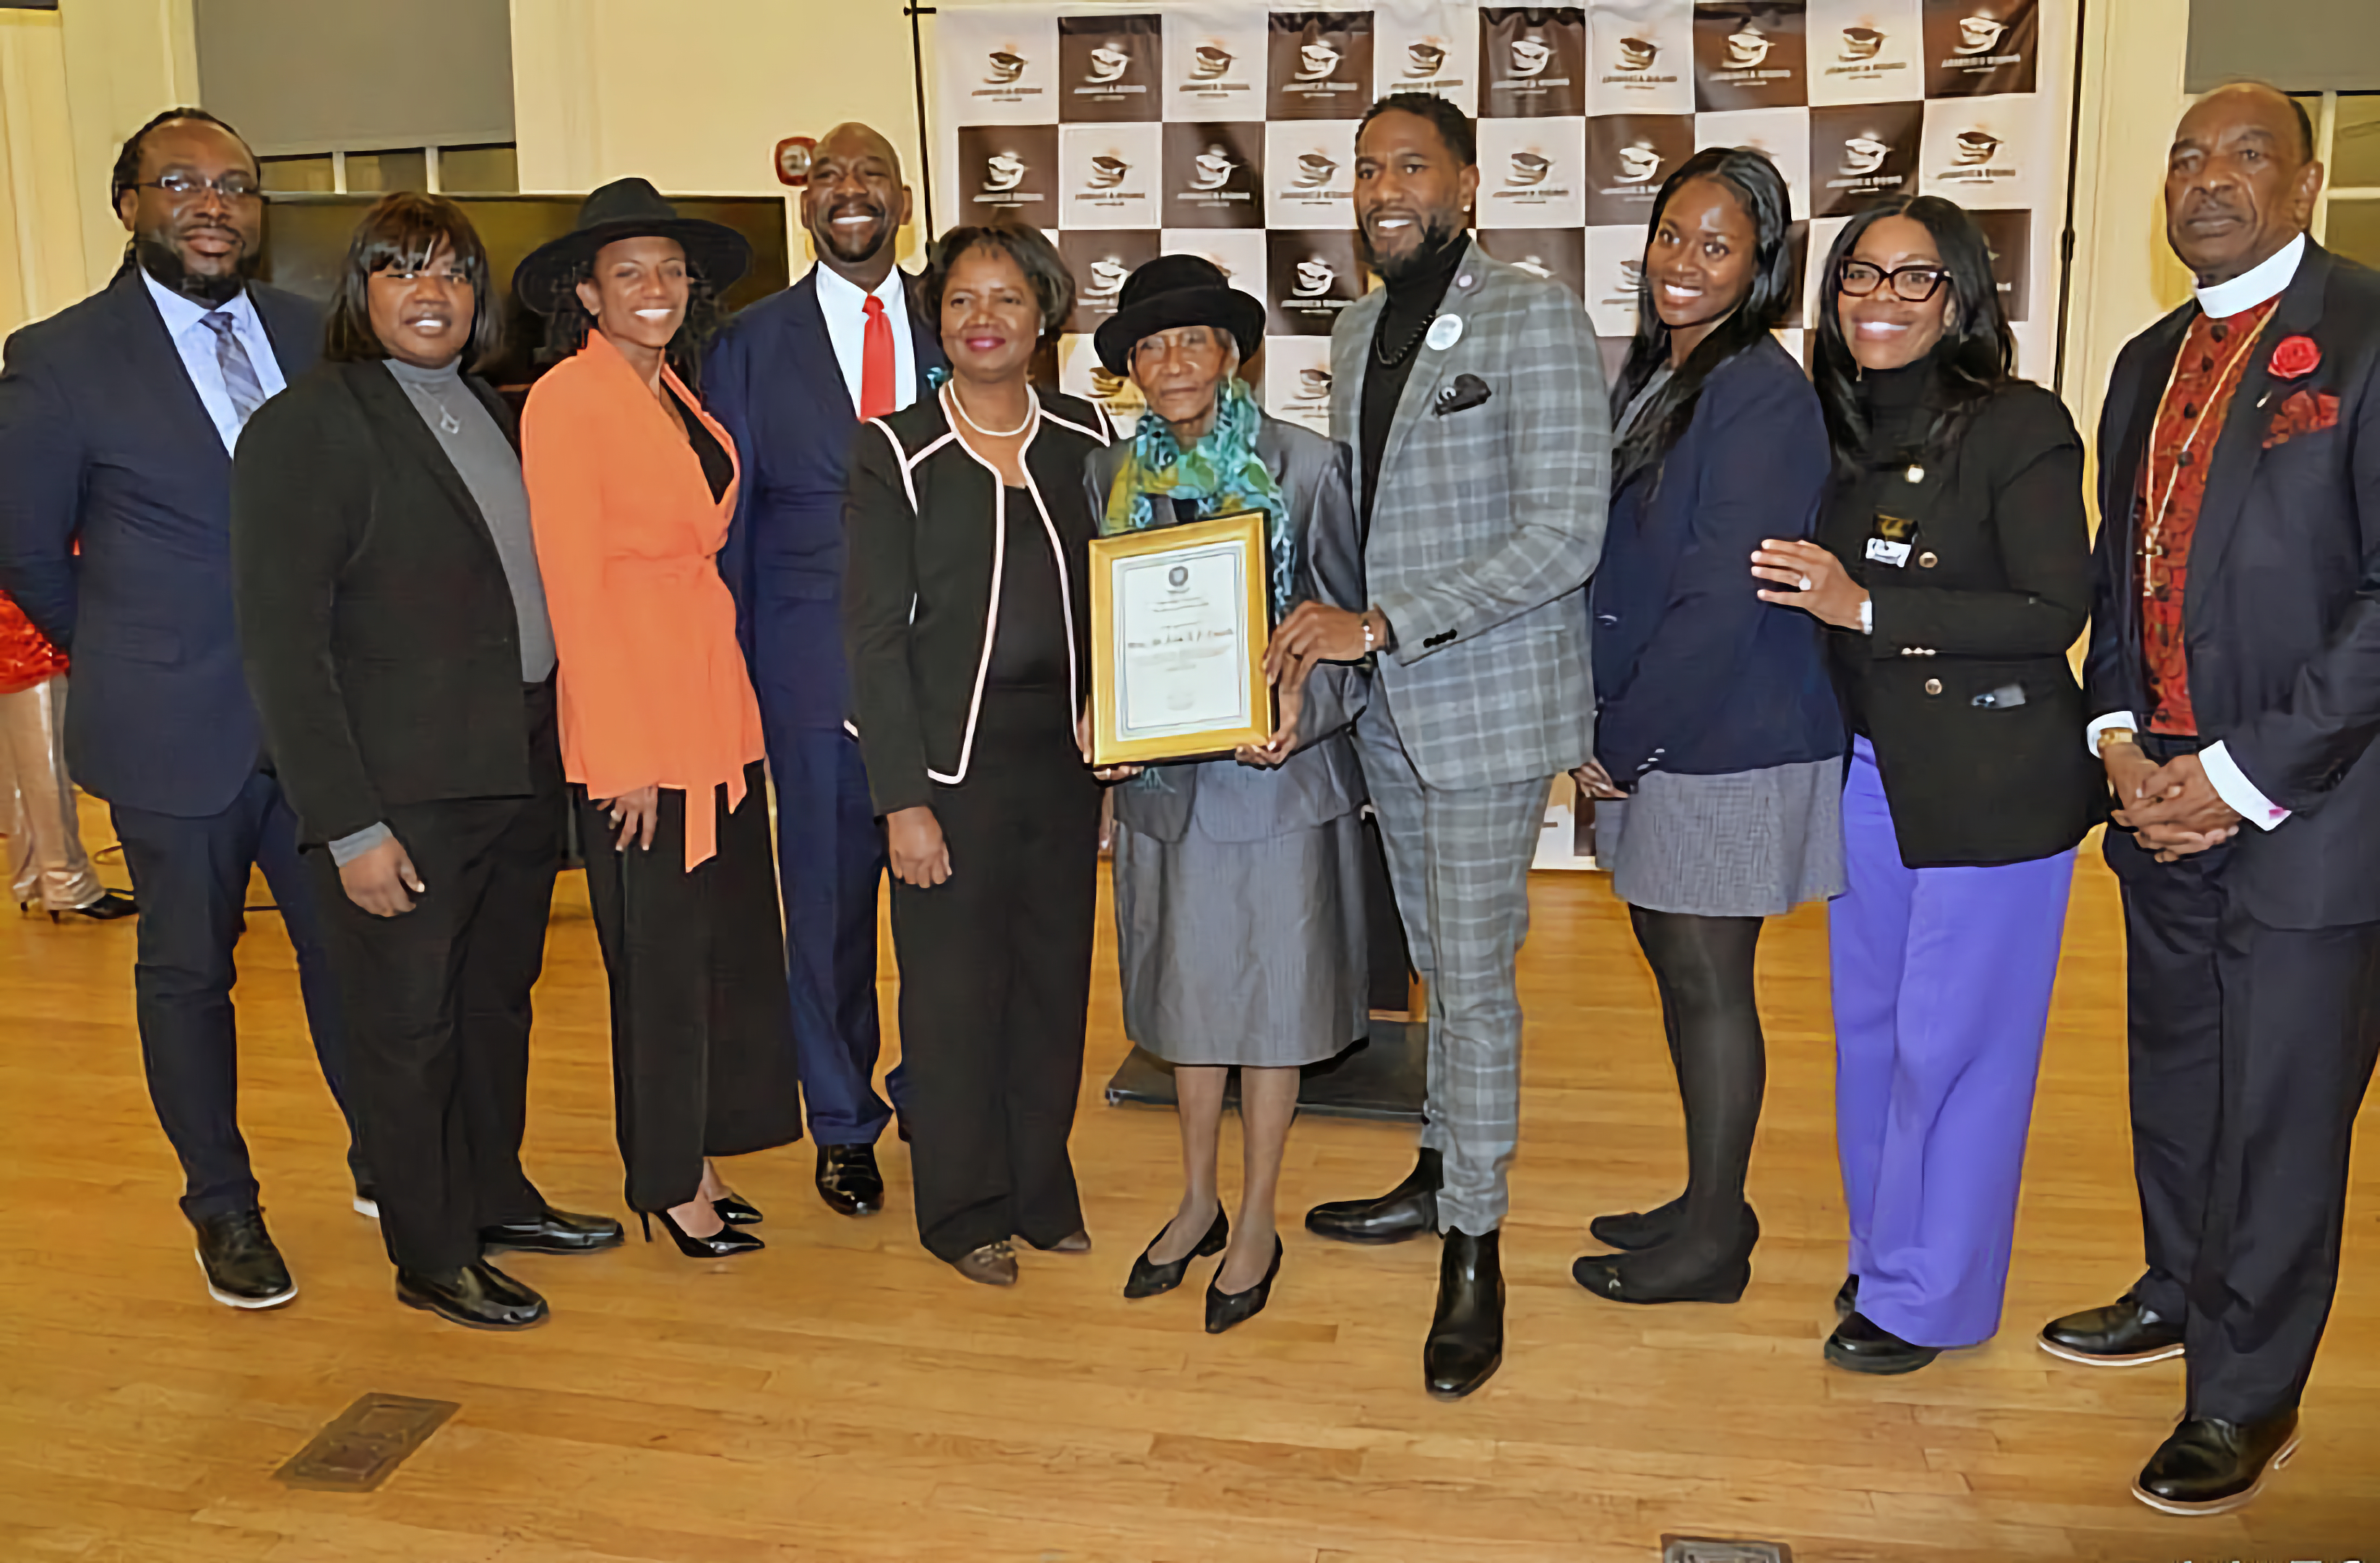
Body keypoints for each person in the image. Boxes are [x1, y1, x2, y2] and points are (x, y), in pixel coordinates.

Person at [2040, 82, 2380, 1518]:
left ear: (2305, 184)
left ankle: (2248, 1393)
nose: (2210, 178)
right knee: (2177, 1083)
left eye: (2249, 154)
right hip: (2157, 794)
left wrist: (2238, 778)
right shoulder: (2143, 357)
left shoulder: (2367, 334)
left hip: (2316, 808)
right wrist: (2117, 735)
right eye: (2187, 156)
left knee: (2282, 1115)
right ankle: (2182, 1291)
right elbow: (2124, 571)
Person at [231, 193, 625, 1331]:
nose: (431, 292)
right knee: (407, 1026)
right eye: (402, 270)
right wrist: (348, 824)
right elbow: (284, 648)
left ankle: (494, 1197)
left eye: (451, 272)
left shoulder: (492, 412)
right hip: (398, 794)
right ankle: (431, 1246)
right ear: (362, 293)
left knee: (496, 1004)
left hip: (509, 772)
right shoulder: (307, 426)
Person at [1272, 93, 1607, 1398]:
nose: (1381, 186)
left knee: (1471, 982)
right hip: (1386, 715)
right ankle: (1433, 1169)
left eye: (1408, 164)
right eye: (1363, 168)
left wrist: (1383, 622)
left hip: (1476, 707)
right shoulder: (1356, 328)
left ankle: (1474, 1243)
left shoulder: (1532, 316)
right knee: (1429, 968)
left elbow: (1562, 533)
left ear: (1466, 186)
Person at [0, 108, 361, 1310]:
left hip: (321, 724)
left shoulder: (316, 335)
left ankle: (392, 1159)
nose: (213, 203)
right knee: (189, 974)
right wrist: (131, 644)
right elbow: (31, 554)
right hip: (173, 727)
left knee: (355, 956)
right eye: (181, 183)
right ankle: (224, 1205)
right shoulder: (59, 356)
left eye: (236, 186)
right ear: (130, 205)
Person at [1747, 196, 2100, 1372]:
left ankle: (1928, 1298)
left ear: (1957, 296)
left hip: (1990, 786)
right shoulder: (1830, 425)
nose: (1880, 300)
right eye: (1857, 276)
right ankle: (1886, 1247)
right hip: (1867, 772)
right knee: (1873, 1036)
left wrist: (1868, 607)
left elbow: (2052, 608)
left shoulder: (2016, 423)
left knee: (1955, 1046)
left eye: (1912, 278)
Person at [1571, 146, 1842, 1309]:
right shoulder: (1665, 370)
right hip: (1665, 724)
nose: (1682, 262)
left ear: (1761, 265)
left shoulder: (1758, 390)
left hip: (1719, 733)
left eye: (1716, 244)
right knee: (1681, 973)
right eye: (1670, 234)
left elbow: (1723, 593)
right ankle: (1704, 1200)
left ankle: (1715, 1243)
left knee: (1709, 979)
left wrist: (1623, 740)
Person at [515, 178, 801, 1259]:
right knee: (659, 959)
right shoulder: (567, 400)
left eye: (670, 270)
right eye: (627, 271)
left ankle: (699, 1149)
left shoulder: (672, 391)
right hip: (636, 715)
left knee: (715, 949)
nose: (655, 288)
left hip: (711, 704)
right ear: (585, 293)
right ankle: (664, 1176)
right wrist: (620, 754)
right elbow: (572, 590)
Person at [1085, 257, 1370, 1333]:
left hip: (1275, 781)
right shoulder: (1109, 478)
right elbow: (1104, 626)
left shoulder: (1305, 466)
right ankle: (1195, 1193)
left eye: (1191, 341)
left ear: (1231, 352)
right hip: (1164, 784)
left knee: (1272, 1001)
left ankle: (1256, 1211)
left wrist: (1306, 701)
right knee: (1185, 998)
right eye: (1149, 347)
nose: (1171, 364)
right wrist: (1096, 710)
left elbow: (1344, 625)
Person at [842, 223, 1111, 1287]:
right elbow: (869, 636)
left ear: (1042, 315)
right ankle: (962, 1208)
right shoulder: (896, 449)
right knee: (952, 996)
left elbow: (1117, 598)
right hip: (949, 768)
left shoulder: (1089, 437)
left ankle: (1040, 1187)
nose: (983, 319)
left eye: (1005, 298)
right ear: (938, 321)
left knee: (1050, 983)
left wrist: (1121, 724)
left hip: (1065, 758)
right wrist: (900, 798)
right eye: (961, 301)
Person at [706, 122, 944, 1220]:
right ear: (805, 201)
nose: (851, 192)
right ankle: (843, 1123)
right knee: (830, 911)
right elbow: (729, 521)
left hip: (955, 666)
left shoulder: (960, 313)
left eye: (873, 176)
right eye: (831, 176)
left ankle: (938, 1099)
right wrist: (744, 679)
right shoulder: (750, 342)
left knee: (945, 912)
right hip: (808, 675)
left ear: (904, 199)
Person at [1, 589, 137, 922]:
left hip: (12, 626)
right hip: (27, 631)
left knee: (17, 764)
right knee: (44, 762)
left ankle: (33, 875)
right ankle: (66, 882)